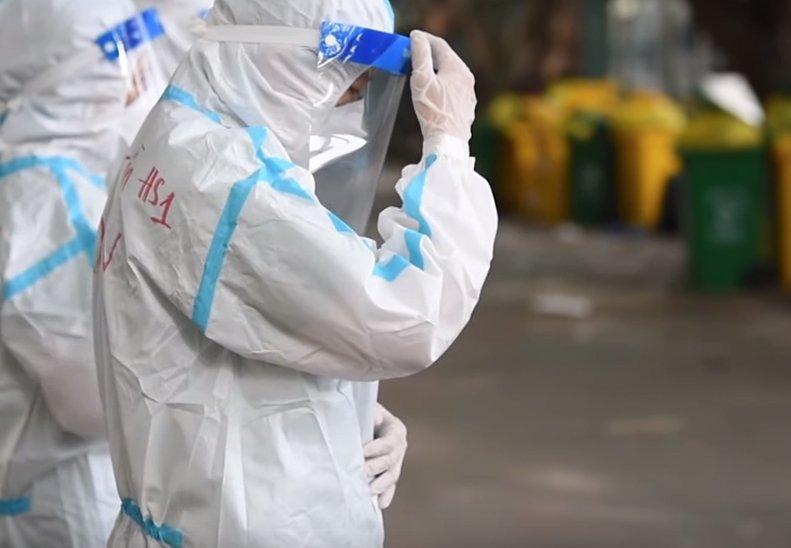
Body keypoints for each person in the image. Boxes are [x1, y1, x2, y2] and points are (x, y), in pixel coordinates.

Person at [94, 0, 497, 546]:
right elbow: (407, 312)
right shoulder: (225, 178)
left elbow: (231, 338)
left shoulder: (189, 134)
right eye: (341, 79)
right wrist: (449, 147)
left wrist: (349, 407)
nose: (346, 103)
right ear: (280, 50)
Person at [0, 1, 167, 546]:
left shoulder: (61, 167)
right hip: (61, 505)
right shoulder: (39, 196)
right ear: (58, 67)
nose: (139, 67)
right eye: (119, 49)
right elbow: (98, 401)